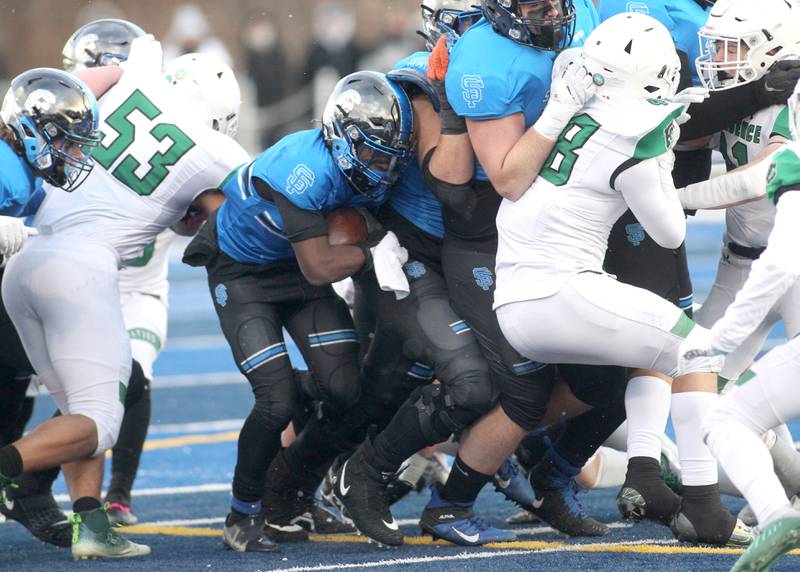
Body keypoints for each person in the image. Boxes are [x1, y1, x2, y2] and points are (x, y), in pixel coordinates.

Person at [493, 12, 750, 547]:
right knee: (697, 348)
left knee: (658, 348)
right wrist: (659, 151)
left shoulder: (576, 99)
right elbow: (669, 231)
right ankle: (702, 506)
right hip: (557, 291)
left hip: (519, 289)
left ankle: (645, 476)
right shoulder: (636, 135)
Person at [1, 36, 249, 560]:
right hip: (80, 273)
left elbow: (68, 90)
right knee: (98, 421)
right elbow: (240, 222)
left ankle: (91, 524)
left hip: (24, 261)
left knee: (75, 405)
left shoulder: (138, 68)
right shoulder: (220, 152)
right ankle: (8, 471)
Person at [182, 70, 415, 553]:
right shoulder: (301, 168)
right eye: (372, 152)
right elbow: (320, 266)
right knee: (275, 402)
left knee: (347, 390)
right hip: (244, 275)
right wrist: (374, 251)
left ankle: (298, 459)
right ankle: (242, 513)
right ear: (340, 136)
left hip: (293, 268)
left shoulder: (364, 168)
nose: (380, 167)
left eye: (389, 156)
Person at [682, 78, 800, 572]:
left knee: (727, 417)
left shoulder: (789, 146)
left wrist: (723, 338)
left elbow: (780, 264)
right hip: (740, 259)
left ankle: (776, 511)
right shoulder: (747, 100)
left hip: (779, 271)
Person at [0, 68, 101, 548]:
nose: (78, 156)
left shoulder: (25, 175)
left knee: (22, 371)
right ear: (35, 132)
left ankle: (20, 486)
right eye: (74, 144)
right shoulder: (6, 169)